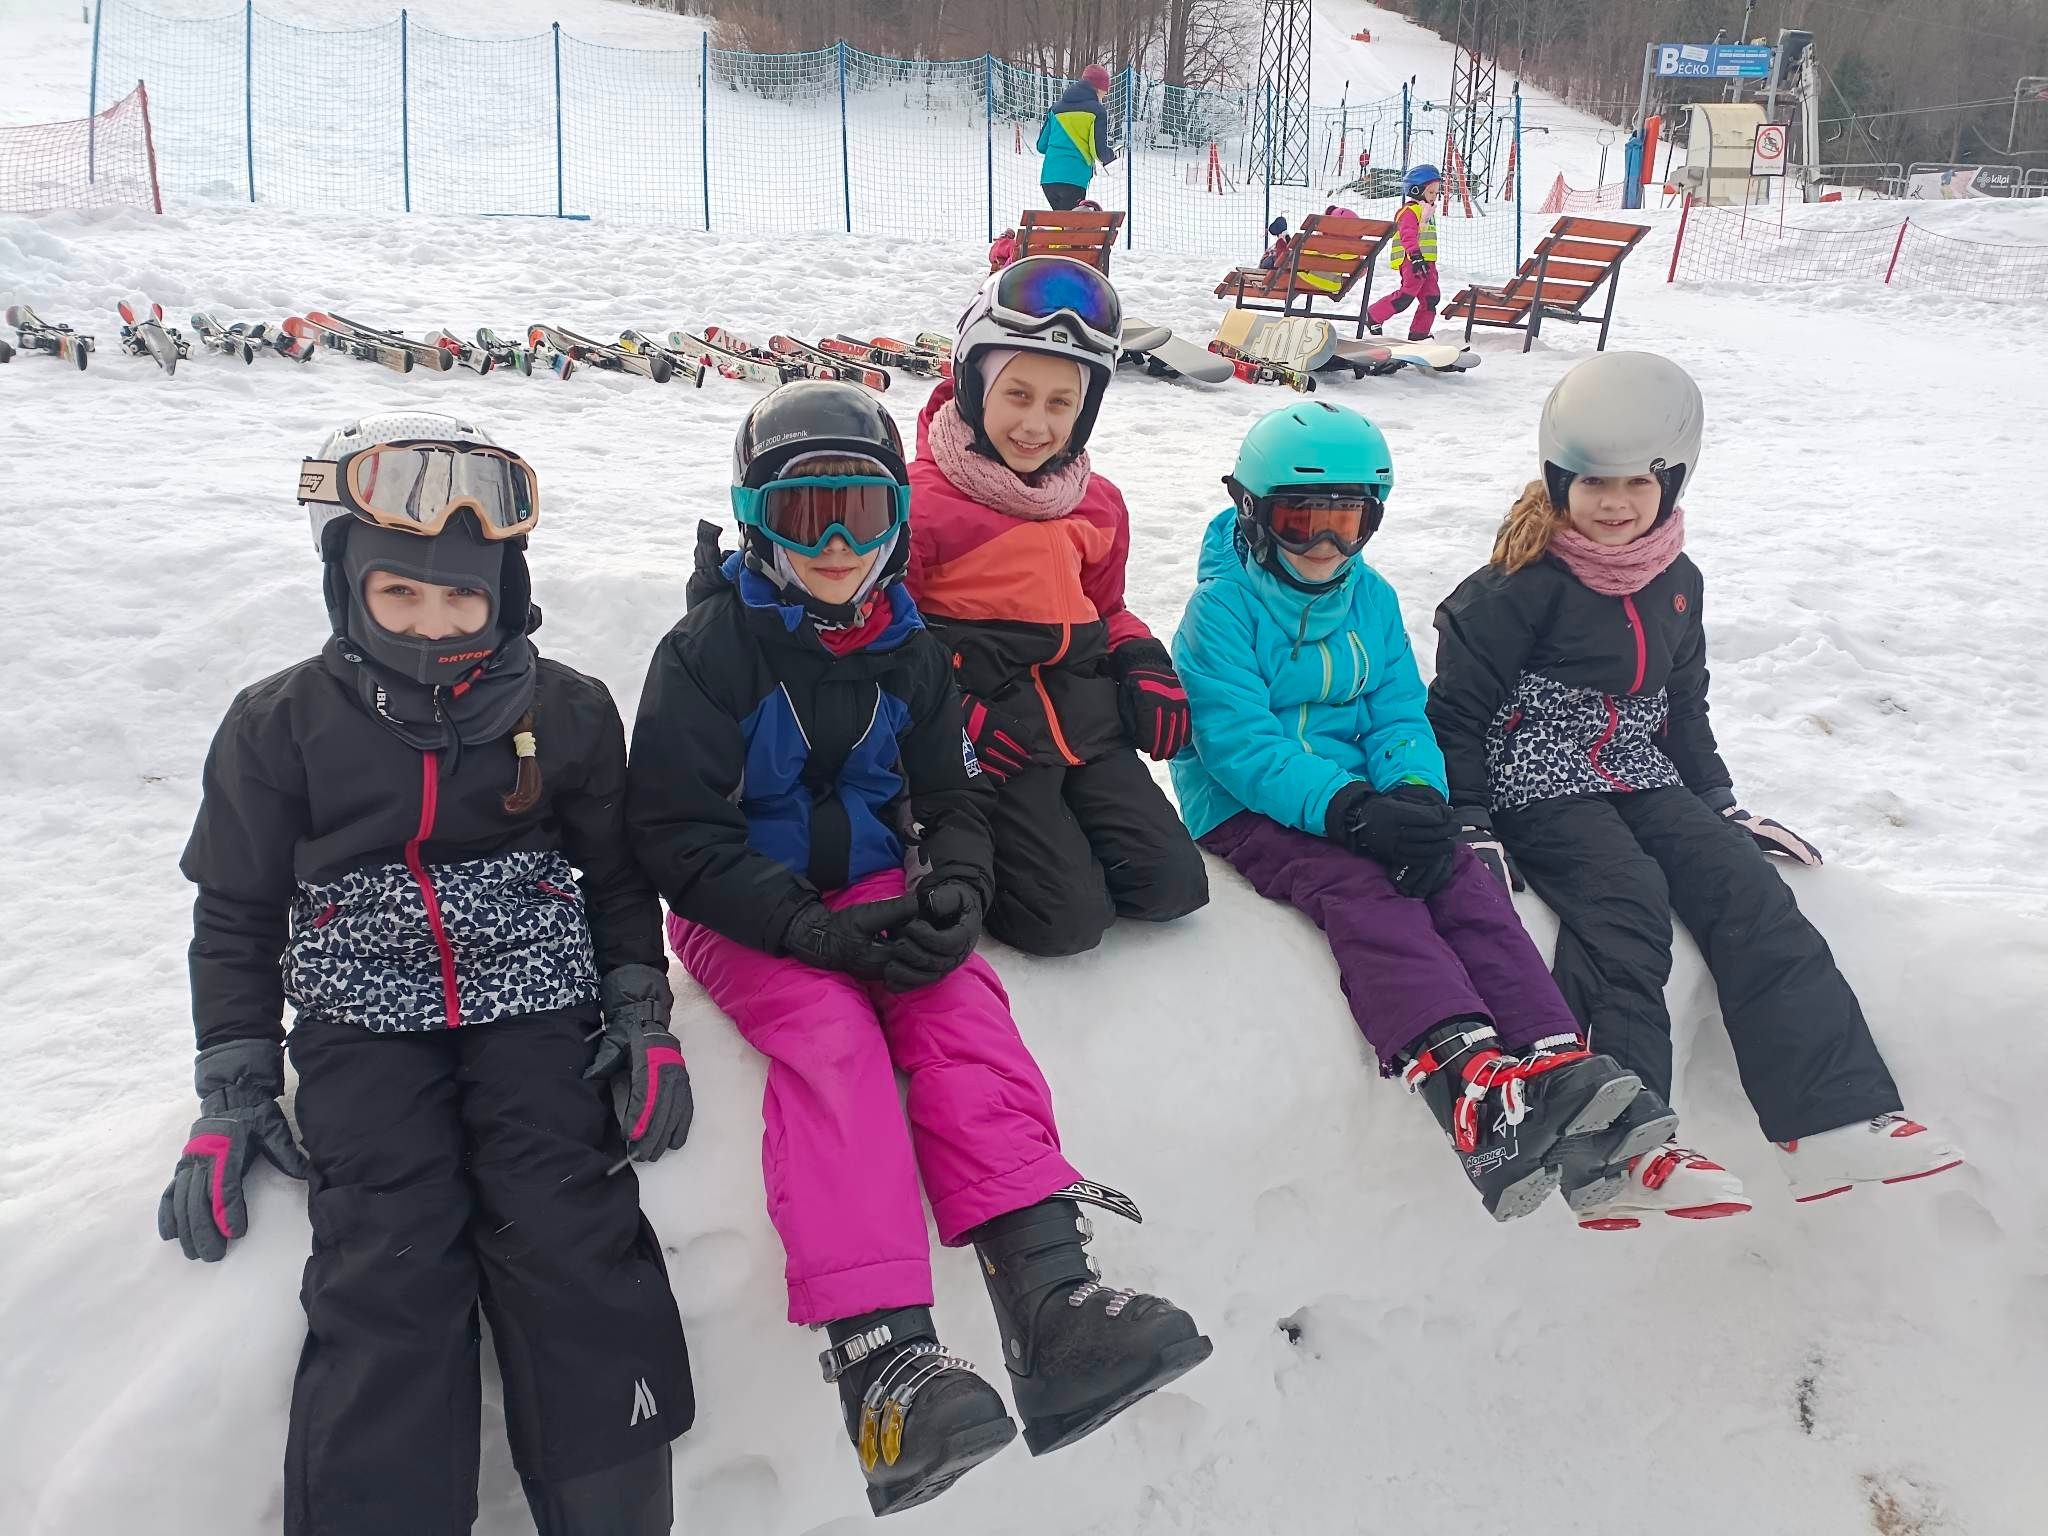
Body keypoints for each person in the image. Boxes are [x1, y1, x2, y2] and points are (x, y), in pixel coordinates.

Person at [626, 382, 1211, 1518]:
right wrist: (801, 928)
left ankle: (1051, 1303)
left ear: (896, 517)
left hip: (873, 883)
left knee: (960, 1005)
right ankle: (883, 1365)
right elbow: (676, 837)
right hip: (739, 906)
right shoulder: (707, 653)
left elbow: (951, 797)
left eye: (861, 513)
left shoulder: (909, 647)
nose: (836, 547)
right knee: (832, 1042)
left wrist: (955, 885)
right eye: (804, 517)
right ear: (753, 521)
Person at [160, 412, 694, 1535]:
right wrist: (234, 1085)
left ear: (506, 592)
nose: (432, 622)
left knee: (566, 1221)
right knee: (385, 1256)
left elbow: (614, 879)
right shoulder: (278, 726)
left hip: (534, 999)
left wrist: (640, 1009)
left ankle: (614, 1504)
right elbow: (236, 911)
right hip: (360, 1018)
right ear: (344, 587)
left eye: (461, 598)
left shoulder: (566, 710)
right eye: (397, 594)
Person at [1429, 352, 1963, 1230]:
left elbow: (1684, 704)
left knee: (1748, 890)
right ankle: (1618, 1147)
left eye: (1638, 482)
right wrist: (1469, 820)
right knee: (1625, 906)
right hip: (1539, 784)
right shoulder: (1510, 591)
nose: (1614, 502)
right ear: (1558, 480)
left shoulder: (1676, 580)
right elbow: (1455, 713)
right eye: (1593, 482)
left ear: (1672, 481)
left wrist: (1717, 802)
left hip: (1641, 772)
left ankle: (1829, 1122)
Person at [1170, 401, 1661, 1222]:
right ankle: (1464, 1083)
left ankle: (1554, 1065)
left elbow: (1398, 711)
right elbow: (1239, 745)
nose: (1324, 548)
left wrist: (1415, 796)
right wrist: (1350, 810)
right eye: (1299, 523)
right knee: (1364, 891)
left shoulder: (1370, 597)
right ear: (1251, 512)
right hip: (1246, 807)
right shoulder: (1220, 611)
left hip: (1364, 796)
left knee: (1460, 879)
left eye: (1346, 525)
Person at [905, 256, 1210, 956]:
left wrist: (1141, 660)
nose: (1035, 423)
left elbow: (1108, 607)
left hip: (1087, 727)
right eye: (1016, 394)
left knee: (1170, 887)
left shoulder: (1096, 503)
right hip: (996, 740)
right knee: (1063, 921)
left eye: (1059, 403)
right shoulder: (922, 504)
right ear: (973, 385)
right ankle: (941, 842)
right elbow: (890, 632)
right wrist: (946, 715)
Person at [1365, 164, 1443, 341]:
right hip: (1412, 261)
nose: (1434, 196)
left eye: (1436, 192)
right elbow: (1407, 235)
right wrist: (1415, 257)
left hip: (1428, 262)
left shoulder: (1427, 211)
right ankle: (1374, 315)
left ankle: (1419, 333)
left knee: (1431, 297)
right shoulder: (1409, 211)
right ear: (1416, 190)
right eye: (1431, 192)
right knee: (1406, 296)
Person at [1038, 64, 1118, 211]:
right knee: (1073, 223)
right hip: (1074, 179)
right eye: (1105, 91)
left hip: (1049, 179)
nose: (1105, 95)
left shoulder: (1055, 109)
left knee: (1065, 221)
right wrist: (1110, 155)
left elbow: (1041, 146)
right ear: (1099, 88)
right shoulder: (1097, 111)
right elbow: (1098, 151)